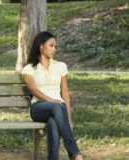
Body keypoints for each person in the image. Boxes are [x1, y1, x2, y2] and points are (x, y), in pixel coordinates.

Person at [22, 31, 83, 160]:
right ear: (41, 46)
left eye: (55, 46)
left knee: (53, 122)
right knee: (57, 106)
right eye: (51, 45)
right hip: (38, 108)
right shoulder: (29, 69)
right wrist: (52, 101)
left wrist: (69, 118)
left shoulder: (60, 66)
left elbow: (65, 92)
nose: (54, 49)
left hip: (58, 109)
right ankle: (74, 154)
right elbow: (34, 91)